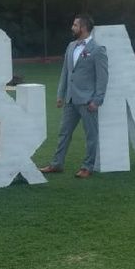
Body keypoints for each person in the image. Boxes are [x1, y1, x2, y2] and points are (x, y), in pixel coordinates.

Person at [39, 14, 109, 178]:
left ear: (83, 28)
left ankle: (87, 167)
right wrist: (60, 94)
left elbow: (103, 77)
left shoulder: (98, 50)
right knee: (64, 133)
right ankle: (57, 164)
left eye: (75, 25)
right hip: (70, 100)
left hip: (87, 101)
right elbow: (65, 71)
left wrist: (97, 100)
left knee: (91, 135)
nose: (72, 28)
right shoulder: (71, 46)